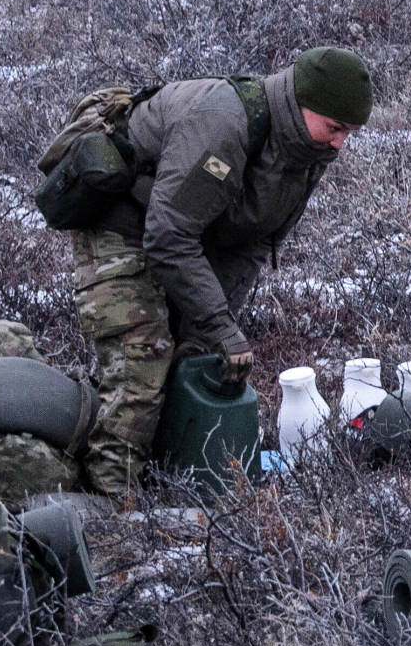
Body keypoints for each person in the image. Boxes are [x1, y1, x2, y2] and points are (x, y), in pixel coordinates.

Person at [64, 50, 372, 500]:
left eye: (350, 133)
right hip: (122, 222)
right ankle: (114, 507)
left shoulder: (307, 151)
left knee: (196, 355)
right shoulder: (222, 124)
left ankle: (165, 477)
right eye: (335, 128)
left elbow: (252, 245)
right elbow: (168, 236)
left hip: (185, 229)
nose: (340, 144)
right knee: (143, 359)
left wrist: (213, 328)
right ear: (301, 104)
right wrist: (218, 326)